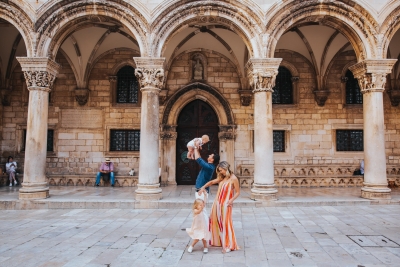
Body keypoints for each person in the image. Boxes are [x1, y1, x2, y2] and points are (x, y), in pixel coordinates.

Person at [198, 161, 240, 253]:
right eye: (219, 171)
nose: (220, 172)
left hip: (226, 204)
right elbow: (212, 182)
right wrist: (203, 187)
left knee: (226, 223)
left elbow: (237, 192)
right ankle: (220, 241)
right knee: (215, 221)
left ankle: (229, 245)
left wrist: (231, 200)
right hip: (217, 203)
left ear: (226, 169)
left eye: (221, 170)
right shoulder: (222, 178)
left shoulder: (234, 178)